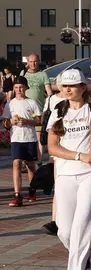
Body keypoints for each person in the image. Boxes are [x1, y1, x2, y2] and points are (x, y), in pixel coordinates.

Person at [47, 69, 91, 270]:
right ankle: (84, 261)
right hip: (65, 174)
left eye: (72, 85)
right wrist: (79, 155)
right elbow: (52, 147)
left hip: (90, 173)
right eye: (64, 86)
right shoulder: (58, 111)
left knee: (81, 227)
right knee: (65, 231)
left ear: (83, 87)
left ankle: (76, 267)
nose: (68, 89)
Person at [2, 76, 41, 207]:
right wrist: (10, 122)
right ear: (13, 89)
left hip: (29, 137)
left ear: (26, 88)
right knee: (16, 163)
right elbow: (6, 123)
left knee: (30, 165)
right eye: (16, 88)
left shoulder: (32, 103)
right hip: (16, 138)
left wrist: (28, 121)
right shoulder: (10, 103)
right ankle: (17, 194)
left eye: (21, 87)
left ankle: (32, 189)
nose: (19, 90)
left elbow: (38, 120)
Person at [41, 72, 67, 235]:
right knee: (59, 186)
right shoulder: (52, 100)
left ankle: (66, 219)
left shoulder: (81, 102)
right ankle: (54, 221)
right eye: (64, 84)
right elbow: (45, 119)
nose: (67, 88)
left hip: (75, 149)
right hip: (58, 149)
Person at [24, 54, 53, 168]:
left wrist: (50, 102)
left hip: (38, 109)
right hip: (25, 109)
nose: (33, 64)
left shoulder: (43, 74)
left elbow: (49, 91)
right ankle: (26, 160)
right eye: (31, 61)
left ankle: (39, 160)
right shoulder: (23, 74)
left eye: (35, 61)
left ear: (38, 62)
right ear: (28, 62)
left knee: (39, 136)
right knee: (25, 134)